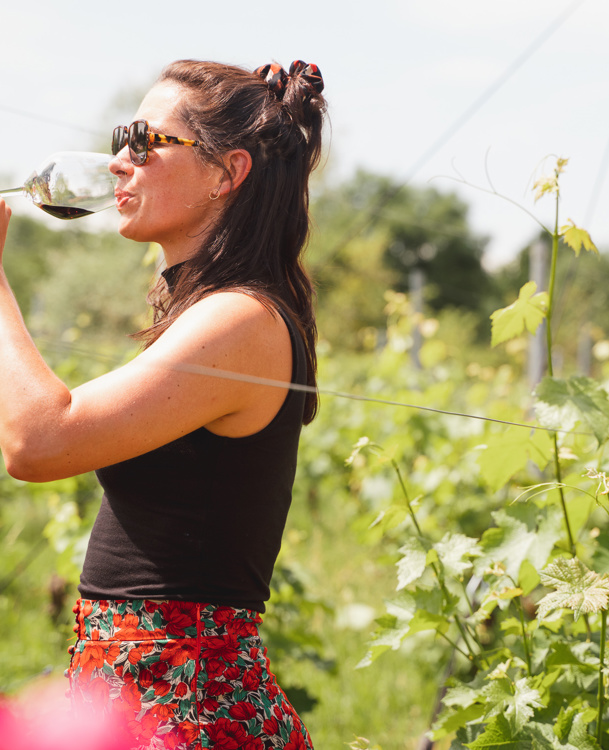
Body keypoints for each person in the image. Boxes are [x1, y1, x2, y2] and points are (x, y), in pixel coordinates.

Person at [0, 58, 326, 750]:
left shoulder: (240, 320)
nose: (120, 163)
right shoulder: (214, 313)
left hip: (188, 714)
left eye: (145, 142)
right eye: (122, 139)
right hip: (147, 698)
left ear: (225, 173)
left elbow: (38, 441)